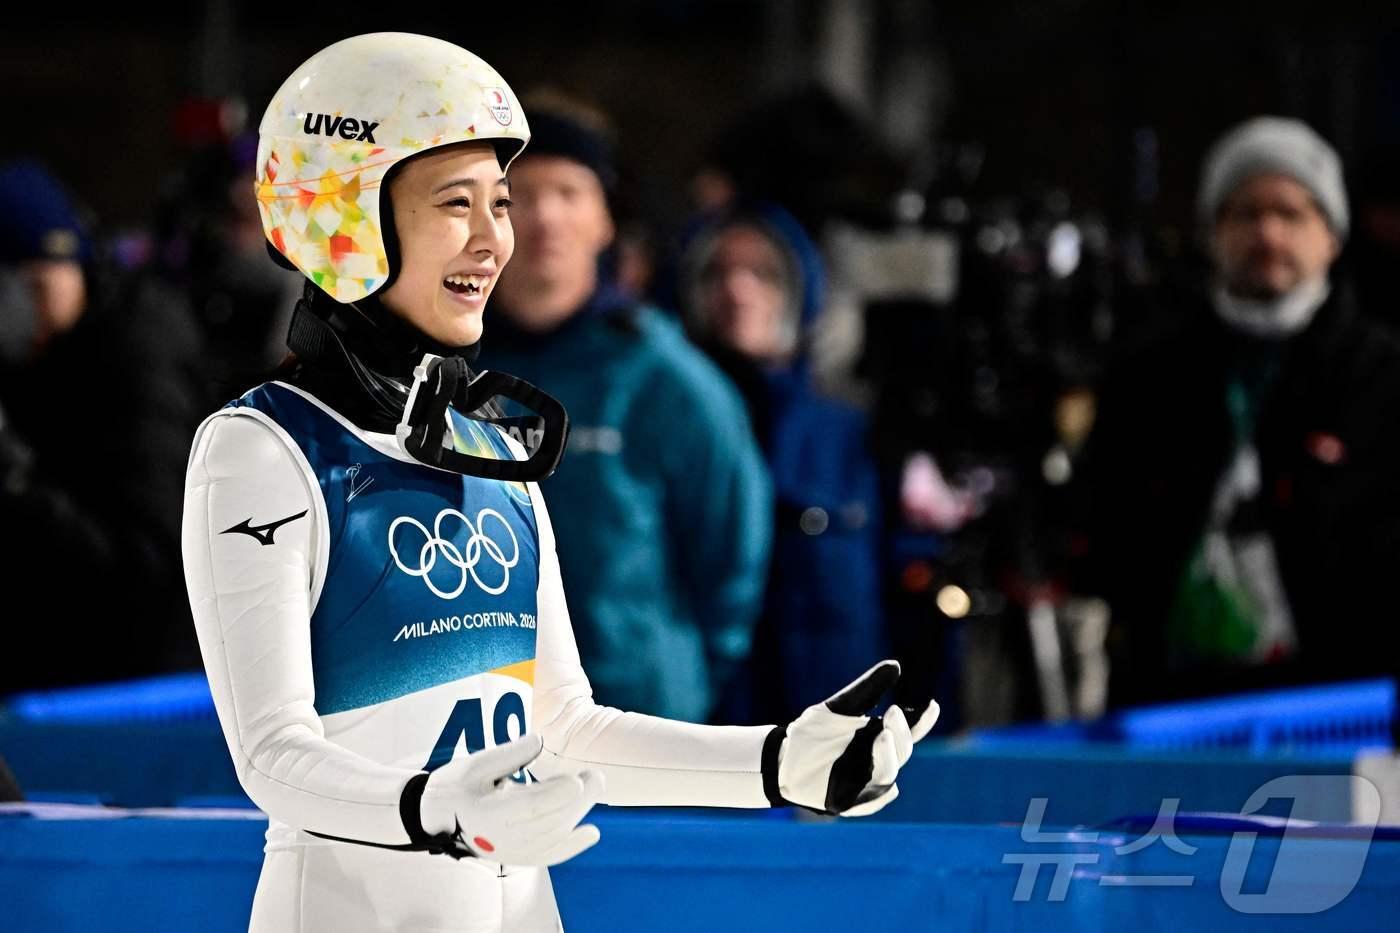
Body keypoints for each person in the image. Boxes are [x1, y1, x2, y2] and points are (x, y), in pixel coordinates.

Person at [182, 33, 939, 933]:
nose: (493, 239)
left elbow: (566, 728)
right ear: (344, 223)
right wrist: (440, 810)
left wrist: (777, 763)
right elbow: (271, 755)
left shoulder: (493, 448)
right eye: (454, 203)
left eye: (497, 203)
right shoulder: (262, 450)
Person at [1082, 116, 1400, 704]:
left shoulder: (1380, 373)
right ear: (1211, 231)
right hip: (1171, 696)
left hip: (1336, 701)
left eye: (1292, 213)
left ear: (1332, 235)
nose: (1269, 234)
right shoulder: (1147, 373)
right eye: (1246, 212)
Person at [480, 98, 771, 723]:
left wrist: (679, 677)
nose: (544, 217)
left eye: (568, 192)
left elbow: (731, 559)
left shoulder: (667, 380)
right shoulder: (443, 371)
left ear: (605, 219)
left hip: (638, 723)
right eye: (518, 194)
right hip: (479, 729)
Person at [679, 203, 890, 723]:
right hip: (700, 747)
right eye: (717, 273)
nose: (737, 291)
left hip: (832, 746)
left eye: (762, 274)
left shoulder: (854, 437)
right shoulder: (667, 426)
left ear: (803, 294)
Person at [0, 160, 204, 691]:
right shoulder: (34, 363)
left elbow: (149, 567)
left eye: (35, 287)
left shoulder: (135, 357)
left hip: (131, 688)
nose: (23, 312)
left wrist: (16, 481)